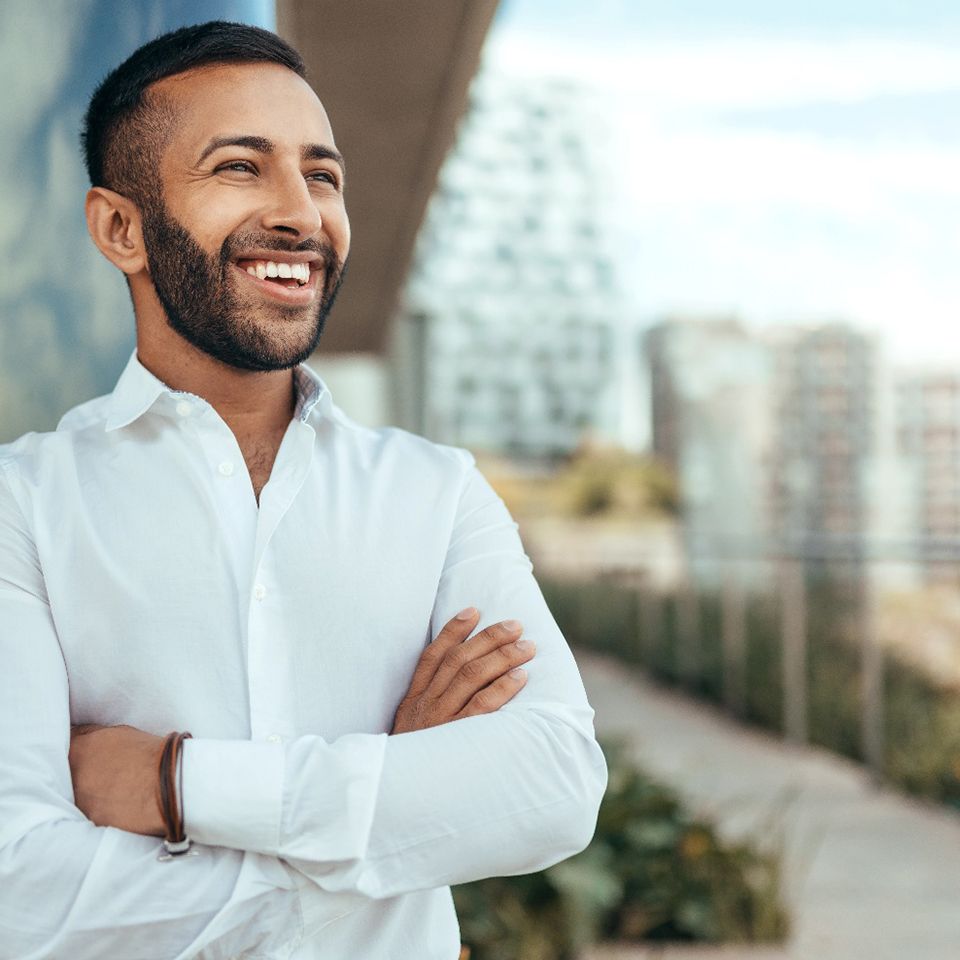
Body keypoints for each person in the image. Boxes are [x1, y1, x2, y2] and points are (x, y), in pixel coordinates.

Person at [0, 20, 607, 960]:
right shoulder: (23, 504)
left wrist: (175, 785)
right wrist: (393, 810)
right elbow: (19, 888)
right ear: (121, 228)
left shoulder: (435, 493)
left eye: (322, 174)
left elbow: (554, 784)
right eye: (241, 167)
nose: (300, 212)